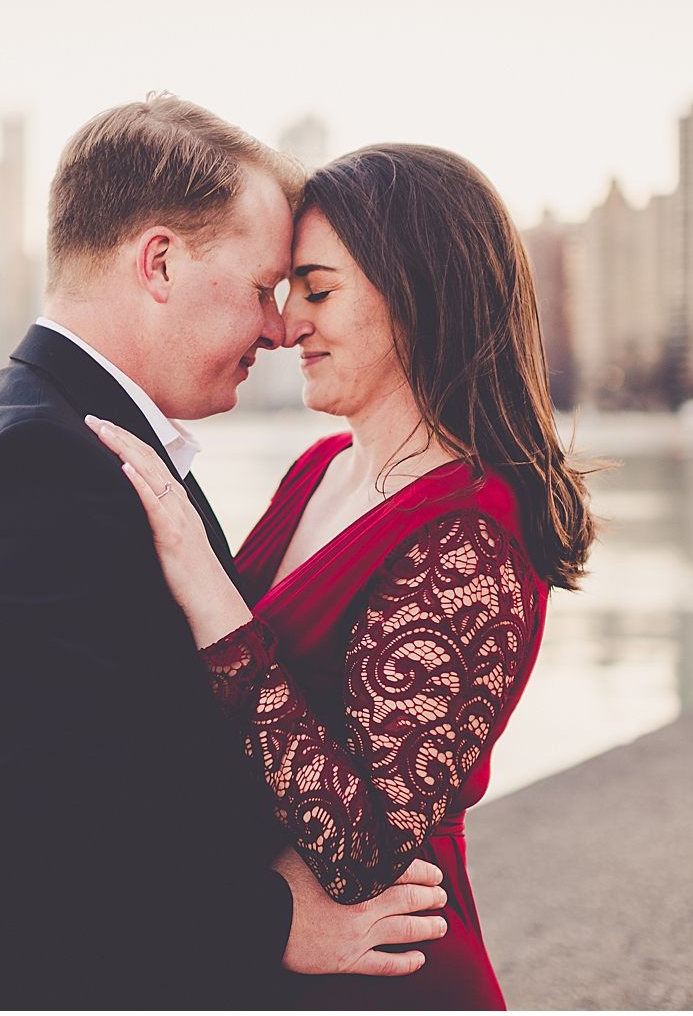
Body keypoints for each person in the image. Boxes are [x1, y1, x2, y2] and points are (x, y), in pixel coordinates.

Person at [0, 98, 450, 1010]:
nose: (280, 329)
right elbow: (26, 862)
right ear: (159, 262)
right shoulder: (33, 471)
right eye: (261, 288)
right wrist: (280, 921)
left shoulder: (74, 436)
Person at [90, 143, 596, 1009]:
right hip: (277, 963)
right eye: (286, 294)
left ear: (418, 297)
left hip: (386, 975)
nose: (286, 327)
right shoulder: (321, 466)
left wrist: (209, 589)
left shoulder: (470, 541)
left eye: (317, 291)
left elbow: (362, 849)